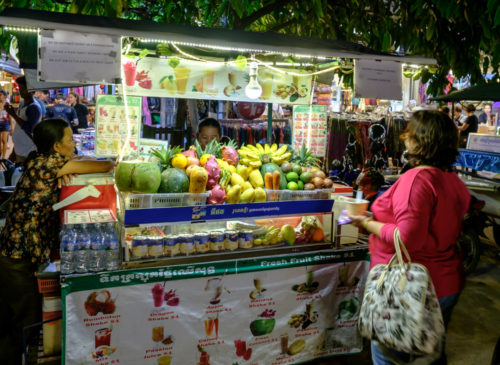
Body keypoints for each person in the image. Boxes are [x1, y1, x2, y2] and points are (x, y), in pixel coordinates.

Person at [348, 110, 470, 365]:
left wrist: (366, 222)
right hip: (445, 283)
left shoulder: (416, 180)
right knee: (427, 354)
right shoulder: (452, 180)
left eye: (409, 133)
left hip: (411, 287)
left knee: (390, 356)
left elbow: (407, 238)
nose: (404, 138)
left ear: (421, 140)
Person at [0, 118, 113, 365]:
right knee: (24, 320)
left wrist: (72, 165)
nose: (74, 144)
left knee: (19, 319)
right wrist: (108, 162)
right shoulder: (47, 165)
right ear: (56, 148)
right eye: (69, 140)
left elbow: (80, 161)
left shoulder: (38, 159)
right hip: (16, 259)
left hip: (19, 254)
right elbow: (104, 165)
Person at [4, 76, 42, 163]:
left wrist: (13, 114)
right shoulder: (22, 104)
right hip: (20, 150)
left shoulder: (34, 108)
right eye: (19, 88)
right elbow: (20, 129)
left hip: (28, 151)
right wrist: (14, 152)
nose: (20, 91)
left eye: (22, 88)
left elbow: (29, 129)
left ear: (31, 90)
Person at [0, 90, 12, 159]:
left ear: (4, 96)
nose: (0, 96)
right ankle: (0, 154)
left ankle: (4, 157)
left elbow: (10, 116)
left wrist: (12, 127)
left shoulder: (7, 104)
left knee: (4, 140)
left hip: (5, 123)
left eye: (1, 95)